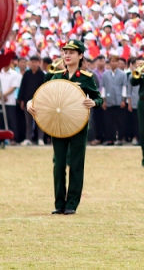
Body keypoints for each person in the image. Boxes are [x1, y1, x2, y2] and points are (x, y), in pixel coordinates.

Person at [31, 39, 101, 214]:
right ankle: (59, 203)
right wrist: (30, 103)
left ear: (80, 55)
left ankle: (71, 204)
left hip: (78, 125)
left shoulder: (87, 78)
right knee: (59, 164)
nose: (67, 55)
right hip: (58, 125)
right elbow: (44, 95)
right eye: (65, 52)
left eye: (71, 52)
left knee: (76, 164)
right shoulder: (56, 76)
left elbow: (99, 98)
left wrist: (94, 102)